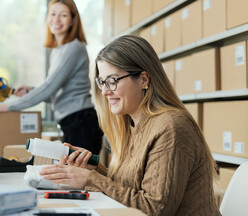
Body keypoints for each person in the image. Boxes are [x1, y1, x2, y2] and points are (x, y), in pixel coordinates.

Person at [40, 35, 221, 215]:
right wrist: (94, 169)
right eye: (102, 82)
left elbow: (153, 209)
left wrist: (91, 179)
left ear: (143, 79)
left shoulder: (171, 127)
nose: (104, 91)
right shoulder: (132, 124)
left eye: (112, 81)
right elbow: (129, 188)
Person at [0, 0, 103, 155]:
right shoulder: (57, 51)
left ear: (73, 20)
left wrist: (8, 106)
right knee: (70, 176)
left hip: (81, 123)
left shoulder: (74, 48)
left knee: (79, 177)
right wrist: (30, 90)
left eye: (63, 15)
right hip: (71, 122)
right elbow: (55, 91)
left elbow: (49, 87)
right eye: (52, 14)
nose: (56, 20)